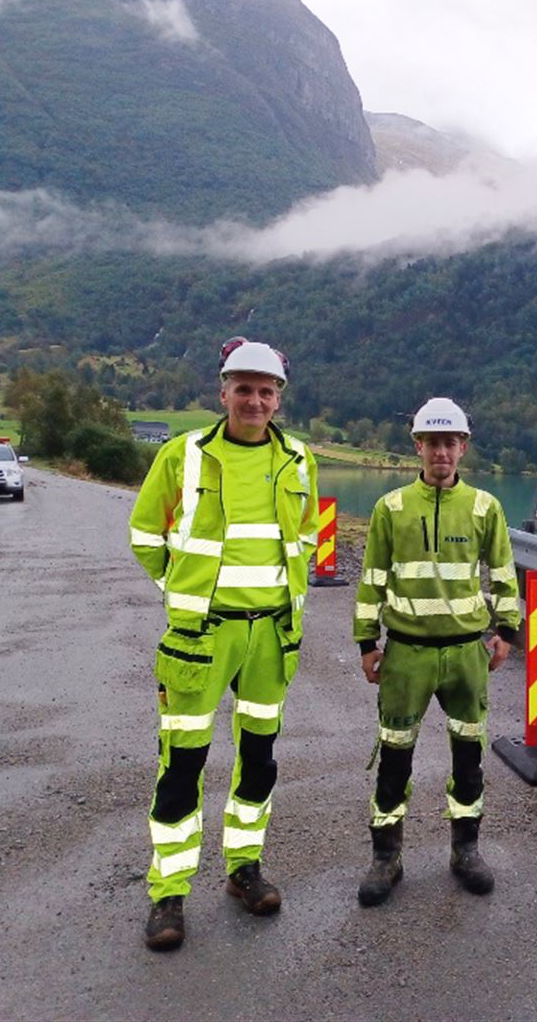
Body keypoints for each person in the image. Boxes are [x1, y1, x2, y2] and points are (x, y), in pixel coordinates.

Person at [128, 338, 319, 951]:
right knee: (182, 765)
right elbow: (143, 534)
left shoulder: (299, 461)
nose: (255, 400)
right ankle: (169, 893)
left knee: (259, 760)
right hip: (200, 638)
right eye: (244, 388)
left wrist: (287, 610)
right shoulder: (183, 455)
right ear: (223, 392)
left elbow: (306, 539)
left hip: (271, 638)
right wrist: (184, 590)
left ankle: (244, 869)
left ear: (278, 398)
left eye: (266, 391)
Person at [353, 396, 520, 906]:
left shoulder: (486, 507)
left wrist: (506, 632)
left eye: (450, 443)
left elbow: (504, 574)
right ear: (418, 447)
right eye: (432, 443)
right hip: (407, 653)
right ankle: (386, 858)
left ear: (462, 447)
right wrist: (367, 642)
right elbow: (372, 580)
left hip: (467, 654)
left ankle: (465, 851)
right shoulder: (392, 508)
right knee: (394, 757)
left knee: (469, 755)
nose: (441, 452)